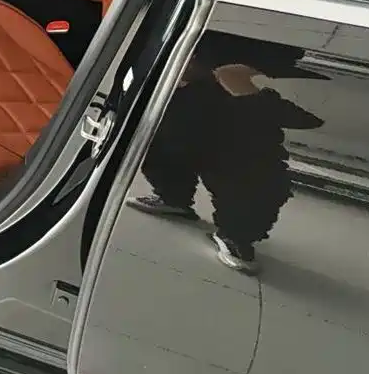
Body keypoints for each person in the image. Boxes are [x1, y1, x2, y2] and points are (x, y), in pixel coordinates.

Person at [127, 42, 324, 274]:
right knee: (167, 127)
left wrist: (239, 83)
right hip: (200, 54)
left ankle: (237, 235)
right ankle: (173, 196)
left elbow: (305, 119)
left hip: (246, 62)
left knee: (246, 153)